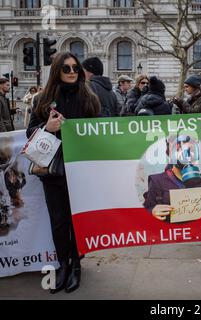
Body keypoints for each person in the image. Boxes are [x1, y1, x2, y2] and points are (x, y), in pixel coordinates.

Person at [26, 52, 101, 294]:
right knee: (58, 223)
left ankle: (76, 267)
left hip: (79, 171)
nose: (71, 72)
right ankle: (62, 266)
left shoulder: (89, 97)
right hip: (52, 172)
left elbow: (102, 131)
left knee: (75, 222)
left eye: (75, 68)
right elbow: (30, 133)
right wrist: (46, 127)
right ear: (57, 70)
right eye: (66, 68)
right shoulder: (42, 99)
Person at [143, 135, 201, 222]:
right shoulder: (157, 181)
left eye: (191, 150)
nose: (186, 155)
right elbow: (146, 210)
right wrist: (152, 212)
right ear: (170, 154)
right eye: (179, 150)